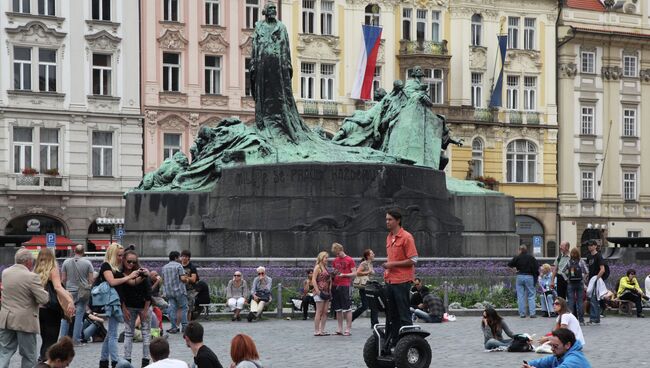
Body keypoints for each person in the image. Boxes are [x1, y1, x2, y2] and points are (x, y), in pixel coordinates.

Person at [250, 1, 310, 142]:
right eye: (270, 8)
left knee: (280, 94)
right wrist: (253, 64)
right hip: (262, 65)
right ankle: (263, 122)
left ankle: (284, 122)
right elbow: (254, 47)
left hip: (278, 67)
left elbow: (286, 47)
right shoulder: (259, 27)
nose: (273, 10)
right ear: (265, 11)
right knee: (263, 94)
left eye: (274, 8)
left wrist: (287, 65)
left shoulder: (281, 27)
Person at [0, 248, 50, 368]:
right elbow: (43, 299)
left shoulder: (5, 273)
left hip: (6, 318)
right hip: (25, 321)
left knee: (4, 352)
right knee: (28, 355)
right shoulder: (31, 277)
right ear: (28, 261)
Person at [97, 243, 140, 368]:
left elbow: (131, 282)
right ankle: (115, 362)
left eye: (122, 255)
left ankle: (104, 361)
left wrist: (141, 275)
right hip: (111, 302)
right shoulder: (106, 266)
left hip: (116, 302)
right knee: (113, 334)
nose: (122, 258)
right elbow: (112, 281)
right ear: (112, 254)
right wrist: (129, 277)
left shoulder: (117, 268)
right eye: (119, 255)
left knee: (110, 333)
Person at [383, 209, 419, 350]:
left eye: (390, 219)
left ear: (398, 220)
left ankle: (408, 345)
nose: (387, 222)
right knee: (392, 315)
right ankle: (395, 343)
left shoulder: (406, 237)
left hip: (402, 281)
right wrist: (388, 269)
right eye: (386, 219)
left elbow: (413, 259)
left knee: (404, 314)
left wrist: (392, 264)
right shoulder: (389, 237)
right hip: (390, 281)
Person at [34, 248, 75, 362]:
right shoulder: (52, 269)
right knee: (51, 340)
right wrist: (70, 300)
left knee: (45, 339)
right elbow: (58, 287)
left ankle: (43, 360)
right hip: (51, 309)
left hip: (39, 310)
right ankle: (46, 362)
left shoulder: (36, 270)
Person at [120, 250, 153, 367]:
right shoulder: (120, 273)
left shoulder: (143, 273)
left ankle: (145, 361)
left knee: (146, 334)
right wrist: (123, 308)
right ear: (123, 260)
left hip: (143, 305)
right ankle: (127, 361)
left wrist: (145, 309)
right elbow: (120, 294)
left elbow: (149, 291)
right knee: (128, 334)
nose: (131, 264)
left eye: (134, 262)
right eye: (129, 261)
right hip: (128, 306)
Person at [60, 244, 95, 345]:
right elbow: (91, 280)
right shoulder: (88, 263)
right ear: (83, 252)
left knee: (66, 315)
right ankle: (76, 340)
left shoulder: (66, 262)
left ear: (74, 251)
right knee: (79, 316)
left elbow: (63, 279)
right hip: (82, 292)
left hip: (69, 291)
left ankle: (62, 339)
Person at [523, 328, 591, 368]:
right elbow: (540, 362)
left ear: (567, 345)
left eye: (555, 346)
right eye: (551, 345)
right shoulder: (559, 355)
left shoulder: (574, 359)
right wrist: (528, 364)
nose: (552, 349)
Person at [330, 242, 356, 336]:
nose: (337, 255)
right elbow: (334, 271)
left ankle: (348, 328)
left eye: (338, 253)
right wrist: (333, 274)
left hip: (345, 285)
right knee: (338, 309)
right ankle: (339, 328)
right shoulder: (335, 260)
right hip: (336, 285)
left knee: (347, 308)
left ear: (341, 250)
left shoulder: (349, 259)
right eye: (336, 254)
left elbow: (354, 273)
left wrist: (345, 275)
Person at [508, 245, 539, 318]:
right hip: (529, 276)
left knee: (520, 295)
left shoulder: (517, 257)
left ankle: (522, 314)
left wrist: (515, 271)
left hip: (520, 276)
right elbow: (536, 267)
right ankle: (532, 313)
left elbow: (509, 265)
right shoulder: (531, 257)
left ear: (520, 250)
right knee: (531, 295)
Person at [161, 251, 189, 334]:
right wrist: (187, 280)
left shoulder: (164, 267)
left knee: (172, 309)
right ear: (176, 257)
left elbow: (163, 280)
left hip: (169, 291)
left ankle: (173, 327)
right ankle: (184, 327)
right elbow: (183, 279)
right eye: (179, 257)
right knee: (184, 308)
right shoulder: (179, 266)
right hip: (179, 291)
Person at [352, 249, 379, 328]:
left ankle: (374, 323)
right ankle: (351, 318)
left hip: (369, 287)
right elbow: (358, 272)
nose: (374, 254)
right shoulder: (364, 263)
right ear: (368, 256)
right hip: (364, 287)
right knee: (366, 306)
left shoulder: (370, 263)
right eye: (372, 253)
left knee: (372, 305)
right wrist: (368, 272)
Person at [561, 247, 587, 324]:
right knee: (580, 302)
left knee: (571, 302)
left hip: (571, 283)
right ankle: (581, 320)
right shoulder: (581, 261)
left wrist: (567, 279)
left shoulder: (569, 262)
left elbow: (562, 271)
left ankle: (571, 320)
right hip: (580, 283)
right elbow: (587, 271)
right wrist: (583, 279)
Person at [585, 240, 605, 325]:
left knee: (594, 299)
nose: (589, 246)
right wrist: (587, 276)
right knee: (592, 299)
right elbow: (590, 268)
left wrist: (596, 279)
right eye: (588, 245)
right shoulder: (589, 256)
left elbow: (602, 269)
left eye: (591, 245)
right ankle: (595, 318)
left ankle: (594, 318)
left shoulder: (598, 256)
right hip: (591, 279)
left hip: (595, 280)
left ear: (595, 246)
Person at [311, 251, 332, 336]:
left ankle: (322, 330)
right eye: (326, 257)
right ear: (321, 258)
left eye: (327, 258)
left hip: (326, 291)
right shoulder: (318, 267)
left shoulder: (325, 267)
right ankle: (316, 330)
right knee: (319, 311)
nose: (327, 259)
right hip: (319, 291)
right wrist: (318, 291)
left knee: (325, 312)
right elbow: (313, 279)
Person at [180, 250, 199, 322]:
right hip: (180, 290)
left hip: (190, 290)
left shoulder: (192, 267)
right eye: (183, 256)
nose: (184, 258)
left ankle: (188, 324)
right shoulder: (178, 265)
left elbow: (194, 279)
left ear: (188, 258)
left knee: (189, 309)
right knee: (180, 308)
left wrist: (185, 277)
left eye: (186, 257)